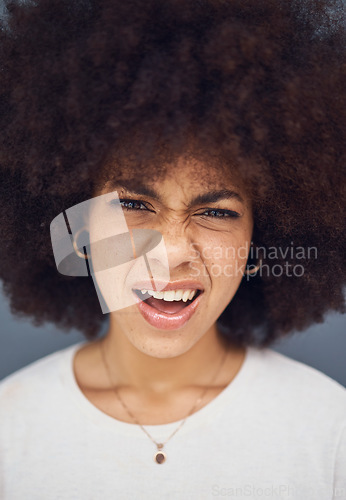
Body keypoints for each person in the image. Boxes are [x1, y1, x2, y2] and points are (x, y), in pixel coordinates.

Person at [0, 0, 345, 498]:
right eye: (136, 204)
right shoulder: (11, 435)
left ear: (260, 237)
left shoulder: (329, 434)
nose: (173, 252)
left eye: (217, 212)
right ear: (78, 227)